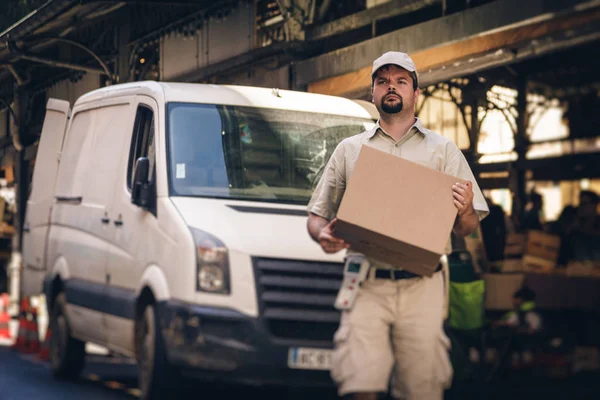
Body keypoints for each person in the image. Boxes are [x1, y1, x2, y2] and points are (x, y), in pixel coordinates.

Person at [306, 51, 489, 400]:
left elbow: (466, 228)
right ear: (373, 94)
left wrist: (465, 208)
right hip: (366, 283)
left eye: (401, 81)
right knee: (360, 383)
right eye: (382, 81)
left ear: (415, 93)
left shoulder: (444, 151)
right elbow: (317, 216)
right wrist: (323, 235)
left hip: (423, 285)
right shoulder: (349, 150)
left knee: (422, 388)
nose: (391, 86)